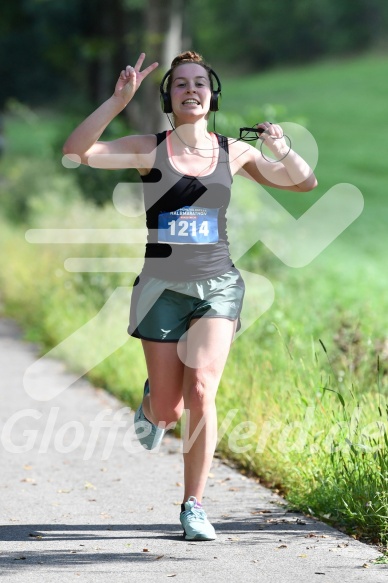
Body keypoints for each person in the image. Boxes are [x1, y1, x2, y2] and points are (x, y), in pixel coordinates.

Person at [63, 51, 318, 541]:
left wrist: (282, 148)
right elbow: (76, 152)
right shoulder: (147, 148)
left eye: (200, 82)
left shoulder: (234, 153)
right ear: (169, 97)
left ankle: (194, 505)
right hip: (160, 289)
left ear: (213, 94)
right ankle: (153, 406)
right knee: (169, 410)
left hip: (218, 285)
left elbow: (304, 183)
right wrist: (117, 101)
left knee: (201, 387)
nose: (191, 90)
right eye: (180, 84)